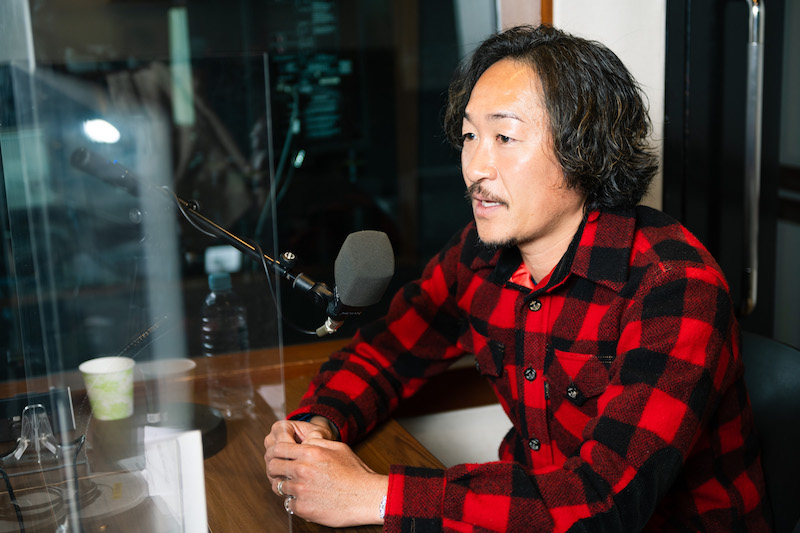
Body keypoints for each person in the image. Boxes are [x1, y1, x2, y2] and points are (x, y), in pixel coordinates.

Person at [264, 24, 772, 531]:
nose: (474, 169)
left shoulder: (675, 286)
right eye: (470, 136)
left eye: (504, 137)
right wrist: (316, 427)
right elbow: (390, 348)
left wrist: (372, 495)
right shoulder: (479, 252)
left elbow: (604, 505)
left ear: (585, 150)